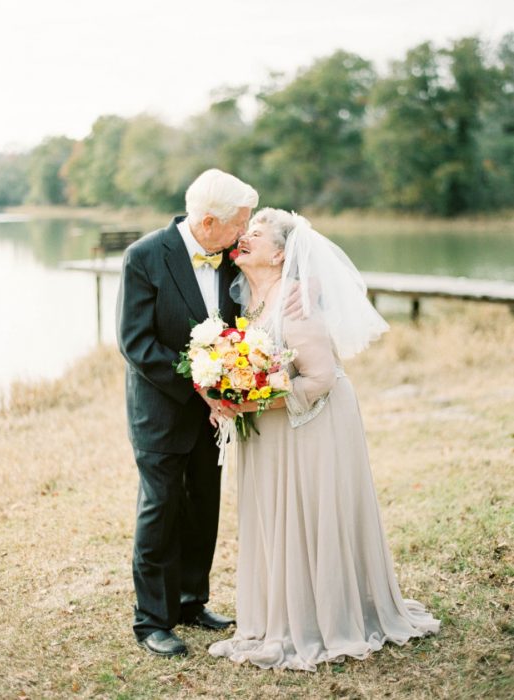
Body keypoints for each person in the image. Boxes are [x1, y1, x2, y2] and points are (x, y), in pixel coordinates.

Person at [208, 208, 440, 671]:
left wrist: (253, 403)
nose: (245, 238)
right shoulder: (249, 299)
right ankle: (283, 612)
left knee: (311, 513)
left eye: (256, 233)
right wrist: (224, 393)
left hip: (309, 424)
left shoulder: (295, 300)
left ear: (280, 254)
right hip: (272, 431)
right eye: (246, 232)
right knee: (279, 516)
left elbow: (322, 377)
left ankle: (320, 618)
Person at [116, 169, 258, 657]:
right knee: (161, 509)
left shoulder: (228, 258)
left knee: (204, 504)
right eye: (240, 223)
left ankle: (191, 600)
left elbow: (236, 326)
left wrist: (240, 377)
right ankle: (152, 620)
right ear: (211, 220)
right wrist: (199, 388)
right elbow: (135, 343)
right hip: (160, 410)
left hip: (213, 415)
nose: (245, 232)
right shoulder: (144, 256)